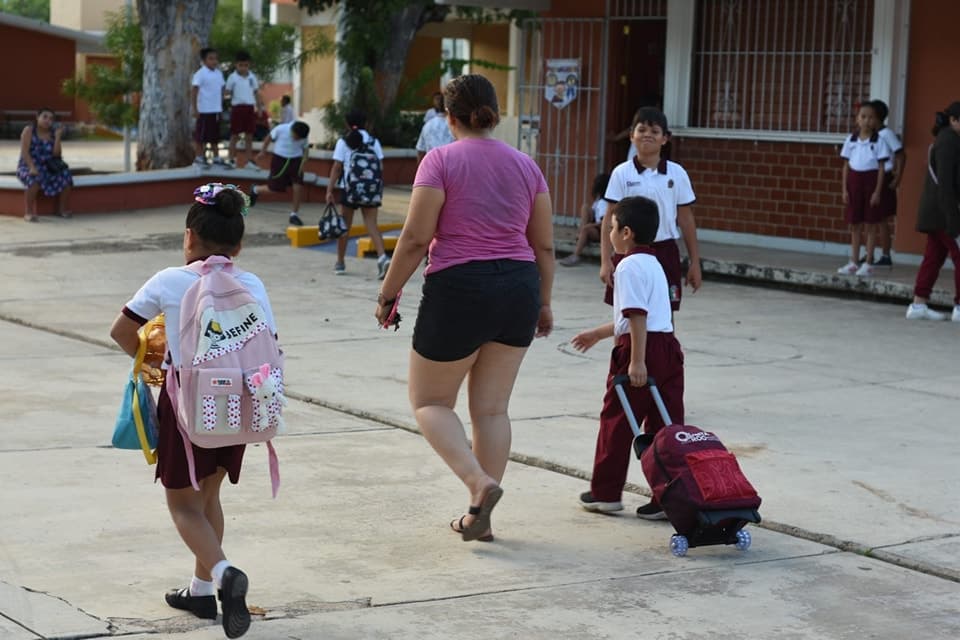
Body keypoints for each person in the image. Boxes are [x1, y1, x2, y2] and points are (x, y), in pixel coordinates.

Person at [375, 74, 554, 543]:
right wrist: (545, 302)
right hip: (519, 287)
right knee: (492, 410)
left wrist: (389, 293)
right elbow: (545, 247)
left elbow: (416, 238)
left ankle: (479, 485)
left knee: (430, 402)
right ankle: (481, 516)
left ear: (448, 116)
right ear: (493, 113)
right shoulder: (526, 166)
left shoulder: (440, 161)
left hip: (459, 286)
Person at [109, 184, 272, 639]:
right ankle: (200, 590)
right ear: (239, 245)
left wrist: (160, 365)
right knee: (209, 498)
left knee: (183, 505)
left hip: (188, 408)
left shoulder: (168, 281)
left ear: (188, 238)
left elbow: (122, 331)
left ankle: (223, 574)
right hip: (239, 407)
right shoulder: (252, 284)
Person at [571, 196, 684, 520]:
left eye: (613, 227)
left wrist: (636, 361)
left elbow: (636, 317)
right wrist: (598, 333)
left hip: (641, 350)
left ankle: (605, 493)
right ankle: (669, 497)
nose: (609, 233)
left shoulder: (628, 265)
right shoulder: (654, 263)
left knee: (618, 422)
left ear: (626, 233)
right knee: (667, 424)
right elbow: (645, 317)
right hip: (667, 347)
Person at [600, 107, 702, 314]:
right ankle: (627, 348)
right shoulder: (621, 173)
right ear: (632, 136)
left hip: (664, 251)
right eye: (642, 130)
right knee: (626, 313)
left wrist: (695, 262)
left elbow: (686, 220)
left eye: (655, 131)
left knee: (664, 312)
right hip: (627, 251)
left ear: (665, 138)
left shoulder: (677, 173)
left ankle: (665, 348)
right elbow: (609, 219)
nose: (647, 135)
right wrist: (605, 260)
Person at [905, 102, 960, 323]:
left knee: (933, 257)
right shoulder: (949, 142)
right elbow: (947, 184)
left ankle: (918, 304)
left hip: (935, 213)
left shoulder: (948, 139)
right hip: (945, 213)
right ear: (954, 120)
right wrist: (953, 221)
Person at [326, 110, 390, 278]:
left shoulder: (343, 141)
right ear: (365, 123)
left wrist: (330, 189)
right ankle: (383, 257)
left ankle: (340, 262)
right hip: (370, 189)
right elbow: (380, 167)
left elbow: (337, 167)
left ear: (347, 123)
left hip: (349, 189)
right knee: (371, 224)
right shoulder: (373, 141)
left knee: (345, 226)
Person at [838, 102, 891, 277]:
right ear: (857, 119)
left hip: (871, 182)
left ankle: (868, 262)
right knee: (855, 224)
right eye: (863, 117)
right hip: (854, 183)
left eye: (871, 117)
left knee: (871, 224)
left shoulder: (879, 141)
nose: (867, 121)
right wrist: (844, 189)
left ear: (876, 121)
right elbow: (846, 165)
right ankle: (853, 261)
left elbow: (882, 168)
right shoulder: (850, 140)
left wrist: (877, 191)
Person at [249, 120, 311, 227]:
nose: (296, 140)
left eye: (299, 139)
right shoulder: (281, 129)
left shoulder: (303, 135)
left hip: (296, 161)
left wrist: (304, 160)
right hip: (279, 160)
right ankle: (255, 189)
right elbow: (269, 137)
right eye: (295, 137)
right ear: (292, 130)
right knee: (274, 188)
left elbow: (305, 148)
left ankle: (294, 214)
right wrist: (263, 151)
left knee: (298, 186)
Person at [17, 107, 72, 222]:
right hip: (28, 164)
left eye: (51, 119)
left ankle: (61, 210)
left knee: (66, 176)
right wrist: (32, 167)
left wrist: (57, 137)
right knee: (34, 179)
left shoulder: (53, 133)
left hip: (48, 165)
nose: (48, 120)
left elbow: (57, 155)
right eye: (45, 117)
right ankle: (28, 212)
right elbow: (24, 152)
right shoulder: (29, 130)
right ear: (37, 117)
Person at [871, 99, 906, 267]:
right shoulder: (870, 134)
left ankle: (886, 255)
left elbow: (901, 154)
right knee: (870, 218)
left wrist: (898, 177)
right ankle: (869, 253)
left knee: (882, 219)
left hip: (885, 178)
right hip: (872, 176)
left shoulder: (886, 134)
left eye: (870, 116)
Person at [560, 172, 610, 266]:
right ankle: (580, 235)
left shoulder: (604, 203)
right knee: (585, 207)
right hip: (595, 226)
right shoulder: (598, 201)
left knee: (586, 229)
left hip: (602, 231)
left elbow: (604, 222)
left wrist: (590, 225)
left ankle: (576, 255)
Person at [224, 50, 261, 169]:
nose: (243, 68)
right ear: (236, 65)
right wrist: (224, 94)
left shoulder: (252, 77)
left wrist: (259, 108)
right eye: (240, 65)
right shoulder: (232, 77)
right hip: (237, 107)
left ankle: (249, 161)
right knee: (234, 135)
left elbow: (256, 93)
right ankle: (231, 159)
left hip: (249, 107)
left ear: (249, 65)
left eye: (246, 65)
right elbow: (227, 93)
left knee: (249, 135)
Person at [192, 47, 226, 167]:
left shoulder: (219, 74)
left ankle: (216, 157)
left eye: (216, 59)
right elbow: (195, 91)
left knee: (214, 136)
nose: (214, 61)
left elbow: (221, 90)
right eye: (211, 59)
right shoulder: (200, 74)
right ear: (204, 60)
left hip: (215, 110)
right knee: (201, 136)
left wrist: (221, 108)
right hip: (204, 110)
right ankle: (199, 157)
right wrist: (195, 109)